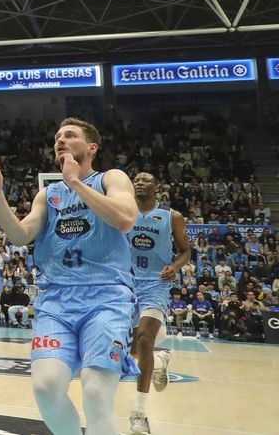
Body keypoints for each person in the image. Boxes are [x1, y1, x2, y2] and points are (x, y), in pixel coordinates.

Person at [0, 117, 138, 435]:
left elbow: (126, 219)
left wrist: (77, 183)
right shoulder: (48, 195)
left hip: (107, 298)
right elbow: (20, 235)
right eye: (57, 137)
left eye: (69, 135)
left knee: (96, 392)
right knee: (46, 388)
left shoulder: (111, 178)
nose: (60, 140)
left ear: (91, 147)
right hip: (56, 301)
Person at [126, 172, 191, 435]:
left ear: (157, 187)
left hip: (156, 283)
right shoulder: (122, 211)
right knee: (129, 348)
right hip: (125, 283)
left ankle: (139, 414)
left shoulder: (171, 216)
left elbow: (185, 250)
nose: (139, 182)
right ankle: (158, 358)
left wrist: (175, 267)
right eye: (136, 180)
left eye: (145, 179)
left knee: (144, 338)